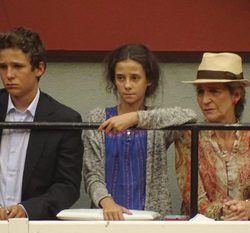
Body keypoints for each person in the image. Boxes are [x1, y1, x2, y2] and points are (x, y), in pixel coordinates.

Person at [83, 43, 197, 220]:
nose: (127, 85)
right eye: (121, 78)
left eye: (135, 78)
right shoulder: (98, 118)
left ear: (148, 80)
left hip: (151, 220)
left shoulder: (156, 124)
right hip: (107, 218)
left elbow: (190, 116)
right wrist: (107, 202)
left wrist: (136, 118)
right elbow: (91, 173)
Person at [0, 27, 83, 220]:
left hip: (35, 229)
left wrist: (28, 209)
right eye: (3, 67)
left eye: (17, 66)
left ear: (39, 68)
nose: (8, 75)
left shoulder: (65, 119)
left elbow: (67, 186)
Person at [175, 52, 250, 220]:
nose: (205, 100)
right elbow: (192, 198)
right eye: (200, 92)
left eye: (214, 91)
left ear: (236, 96)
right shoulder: (189, 137)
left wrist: (247, 207)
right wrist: (225, 212)